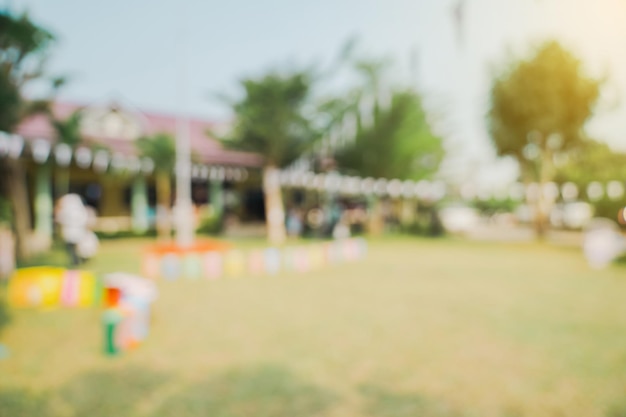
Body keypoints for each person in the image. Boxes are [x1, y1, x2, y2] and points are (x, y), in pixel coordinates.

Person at [55, 194, 89, 267]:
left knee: (73, 248)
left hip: (72, 231)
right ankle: (78, 260)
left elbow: (60, 219)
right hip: (75, 231)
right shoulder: (79, 210)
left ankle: (77, 261)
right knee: (75, 247)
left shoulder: (66, 211)